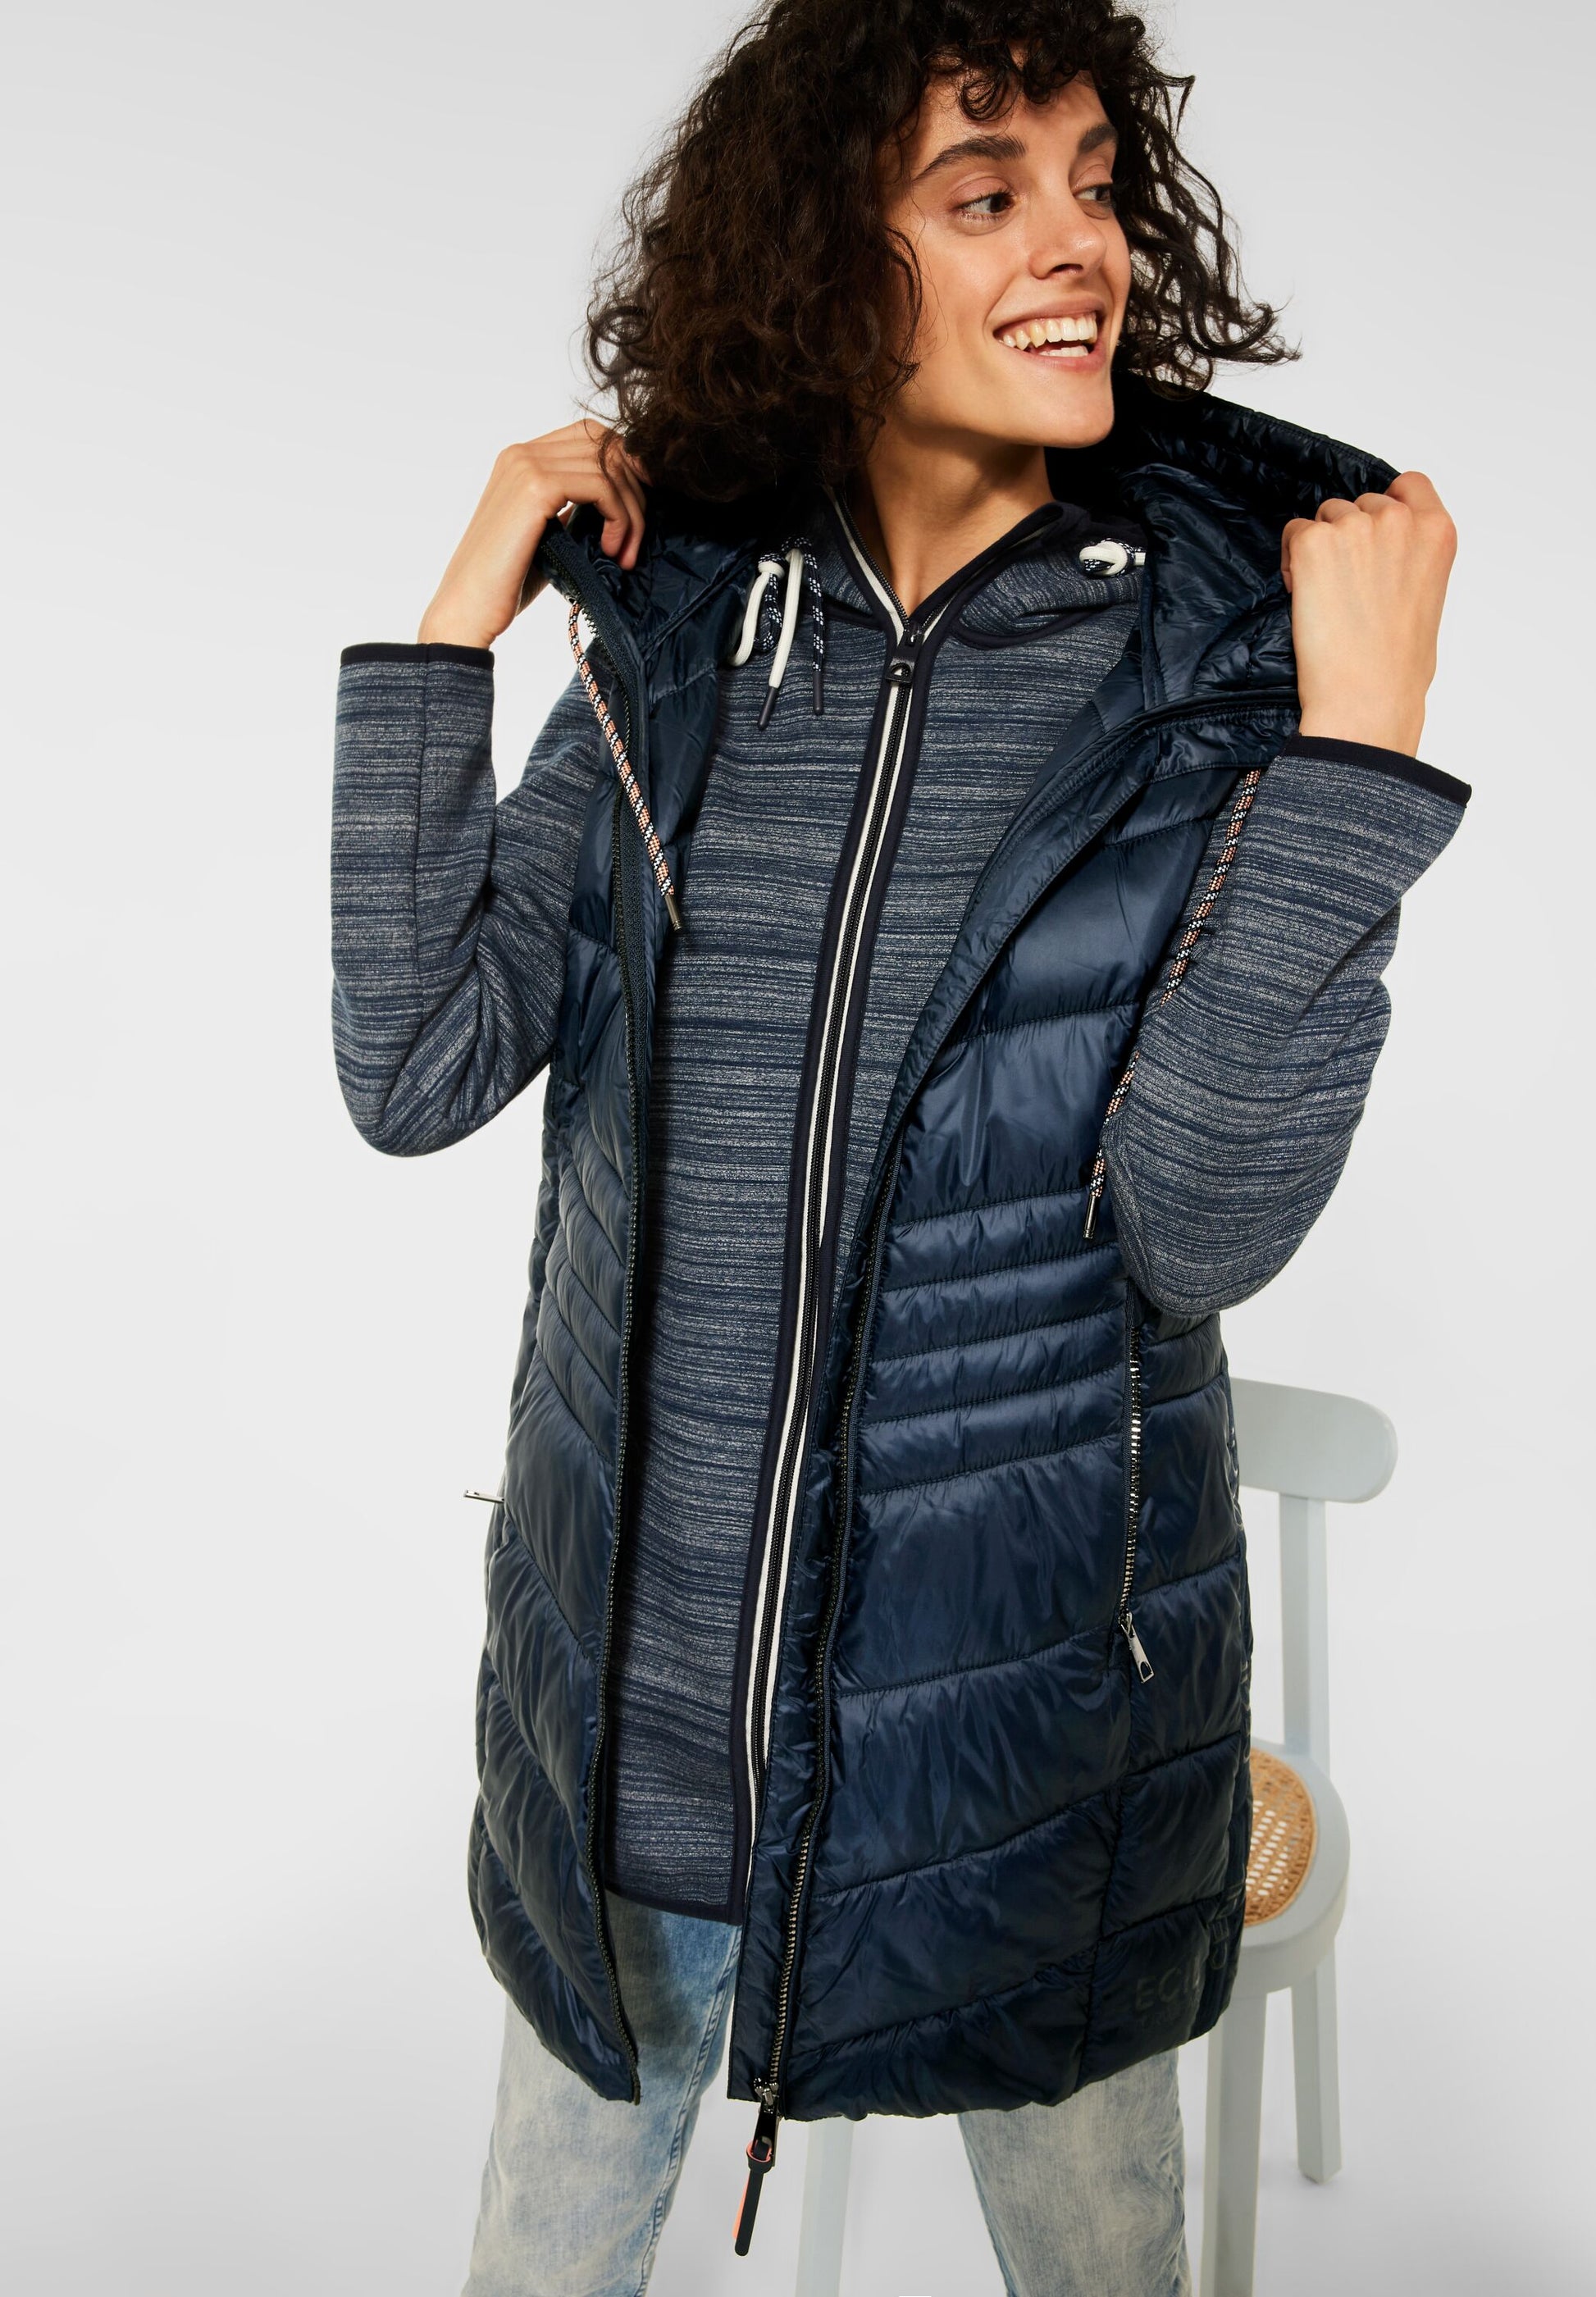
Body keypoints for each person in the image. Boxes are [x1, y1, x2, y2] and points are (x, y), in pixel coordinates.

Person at [328, 2, 1466, 2290]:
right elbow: (419, 1059)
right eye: (985, 192)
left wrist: (1355, 756)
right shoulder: (676, 635)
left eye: (1093, 184)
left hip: (1029, 1741)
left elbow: (1198, 1223)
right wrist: (453, 632)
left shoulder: (1213, 670)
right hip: (641, 1715)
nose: (1080, 245)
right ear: (819, 260)